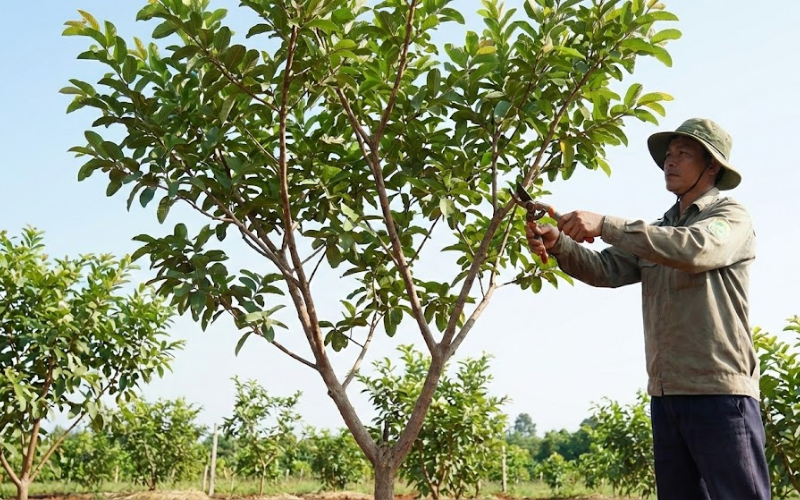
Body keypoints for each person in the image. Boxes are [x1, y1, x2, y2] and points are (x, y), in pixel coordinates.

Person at [526, 118, 771, 499]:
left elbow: (693, 249)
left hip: (720, 393)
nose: (669, 162)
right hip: (667, 394)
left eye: (682, 154)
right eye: (668, 155)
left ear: (712, 167)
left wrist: (605, 224)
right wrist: (559, 243)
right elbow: (605, 269)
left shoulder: (730, 217)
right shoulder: (658, 231)